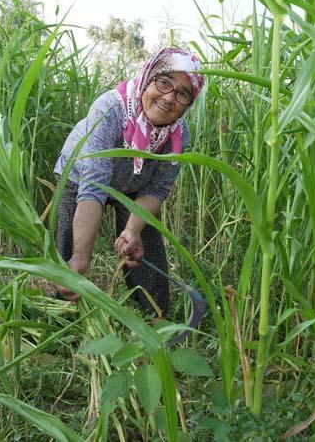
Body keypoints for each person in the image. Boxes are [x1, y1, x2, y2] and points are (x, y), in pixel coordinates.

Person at [52, 47, 204, 317]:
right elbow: (93, 186)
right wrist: (82, 256)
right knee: (70, 252)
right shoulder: (111, 110)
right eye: (164, 82)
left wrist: (132, 230)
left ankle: (154, 320)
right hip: (80, 176)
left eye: (183, 93)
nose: (169, 98)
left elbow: (156, 189)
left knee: (144, 246)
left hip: (135, 187)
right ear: (148, 78)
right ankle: (63, 315)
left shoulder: (179, 135)